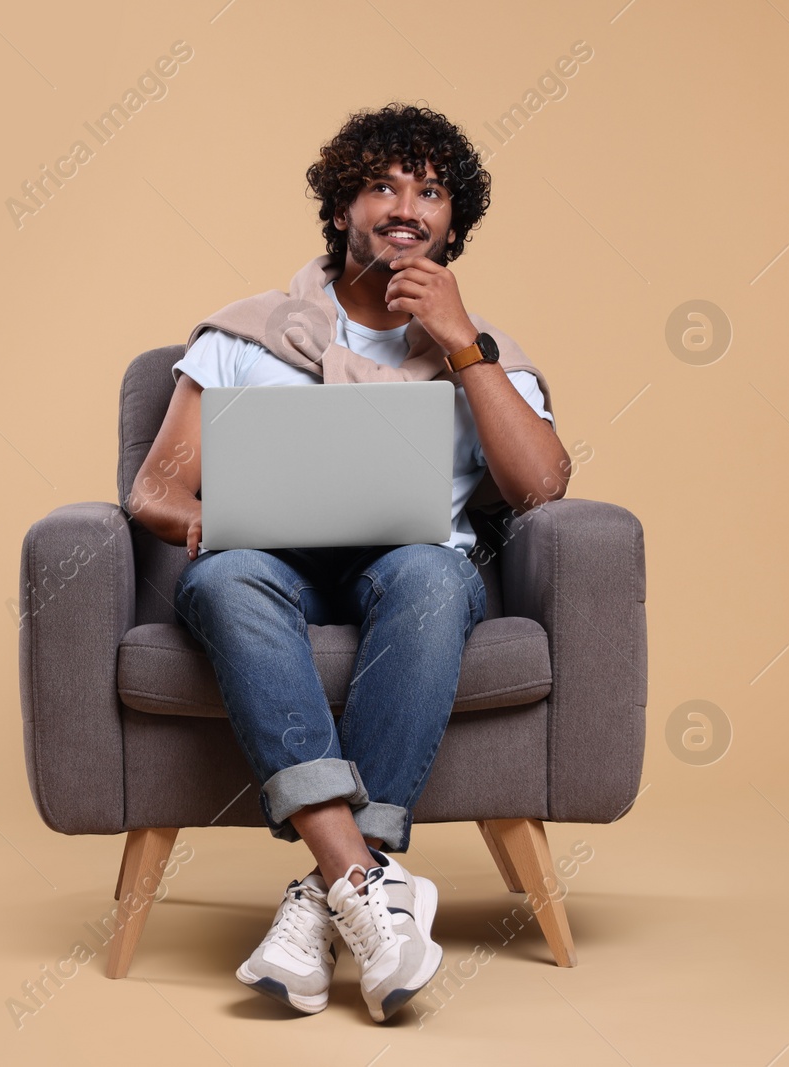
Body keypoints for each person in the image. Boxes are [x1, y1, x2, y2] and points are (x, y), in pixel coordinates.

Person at [124, 103, 572, 1023]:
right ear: (341, 211)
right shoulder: (246, 335)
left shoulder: (480, 347)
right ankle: (364, 880)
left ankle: (323, 894)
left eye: (430, 191)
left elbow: (541, 485)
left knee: (439, 573)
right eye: (382, 184)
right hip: (269, 565)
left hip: (407, 570)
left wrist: (461, 347)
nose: (406, 205)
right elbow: (155, 490)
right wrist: (204, 520)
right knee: (222, 579)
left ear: (452, 224)